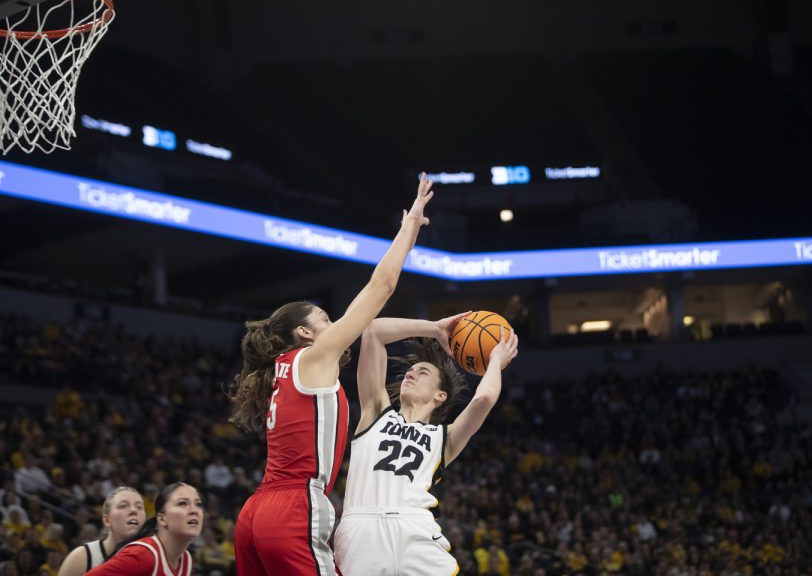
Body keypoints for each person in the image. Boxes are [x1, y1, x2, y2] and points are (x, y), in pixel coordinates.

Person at [231, 176, 435, 576]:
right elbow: (382, 287)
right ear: (304, 332)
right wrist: (408, 230)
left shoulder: (279, 371)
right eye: (325, 319)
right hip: (294, 508)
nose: (335, 324)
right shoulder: (314, 355)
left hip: (254, 513)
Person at [334, 314, 519, 575]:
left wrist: (495, 360)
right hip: (361, 530)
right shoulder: (375, 412)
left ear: (440, 396)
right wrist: (434, 328)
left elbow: (485, 398)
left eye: (423, 372)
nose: (411, 373)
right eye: (410, 370)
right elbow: (374, 331)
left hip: (416, 528)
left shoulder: (446, 438)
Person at [84, 482, 203, 576]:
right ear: (162, 519)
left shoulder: (186, 561)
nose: (194, 510)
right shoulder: (143, 556)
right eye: (182, 503)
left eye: (198, 504)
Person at [59, 487, 146, 576]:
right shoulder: (82, 558)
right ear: (107, 520)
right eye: (123, 506)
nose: (134, 510)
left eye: (139, 507)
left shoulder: (153, 559)